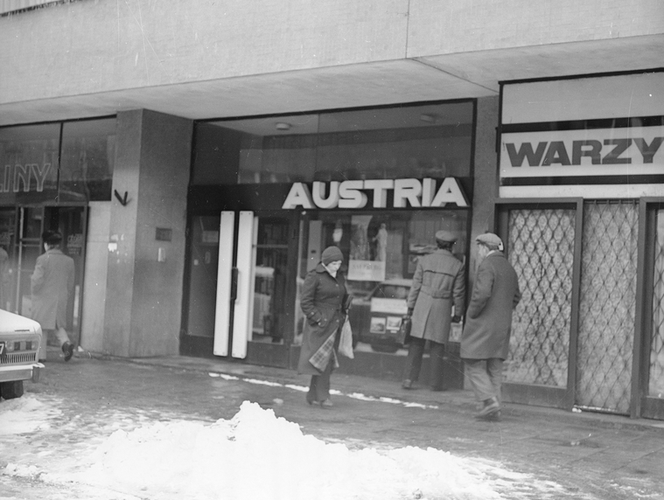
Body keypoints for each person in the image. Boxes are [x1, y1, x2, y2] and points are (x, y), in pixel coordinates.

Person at [461, 232, 521, 421]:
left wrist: (472, 313)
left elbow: (482, 293)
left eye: (479, 247)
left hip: (483, 323)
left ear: (485, 248)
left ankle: (489, 401)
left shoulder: (487, 265)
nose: (478, 251)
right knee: (494, 366)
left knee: (472, 361)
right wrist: (502, 311)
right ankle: (495, 409)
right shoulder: (509, 267)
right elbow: (517, 296)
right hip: (502, 325)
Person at [402, 230, 465, 391]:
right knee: (437, 346)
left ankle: (409, 379)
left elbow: (415, 286)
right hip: (442, 307)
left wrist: (410, 307)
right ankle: (435, 383)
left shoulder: (425, 260)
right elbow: (458, 293)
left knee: (416, 343)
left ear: (437, 244)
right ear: (451, 246)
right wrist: (458, 313)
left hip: (422, 304)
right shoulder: (457, 265)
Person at [297, 245, 349, 407]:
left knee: (325, 361)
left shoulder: (340, 277)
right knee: (323, 362)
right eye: (334, 263)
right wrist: (318, 319)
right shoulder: (314, 276)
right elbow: (305, 303)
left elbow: (342, 296)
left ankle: (313, 394)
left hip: (335, 325)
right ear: (326, 263)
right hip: (320, 326)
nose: (337, 266)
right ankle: (323, 396)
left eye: (339, 263)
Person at [31, 230, 76, 362]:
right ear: (58, 245)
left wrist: (34, 289)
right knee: (57, 325)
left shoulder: (43, 259)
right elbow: (71, 283)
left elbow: (37, 281)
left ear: (46, 244)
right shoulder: (69, 261)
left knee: (42, 327)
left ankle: (41, 356)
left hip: (44, 299)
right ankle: (66, 343)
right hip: (60, 298)